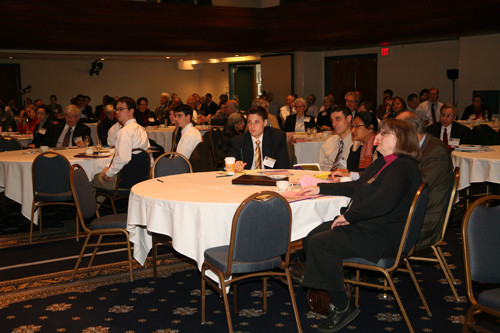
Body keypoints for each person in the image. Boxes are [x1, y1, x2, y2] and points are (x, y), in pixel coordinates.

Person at [297, 118, 422, 332]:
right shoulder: (386, 162)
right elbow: (358, 186)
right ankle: (332, 285)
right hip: (371, 226)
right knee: (312, 236)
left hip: (382, 236)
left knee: (321, 244)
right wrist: (320, 188)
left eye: (384, 134)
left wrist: (350, 216)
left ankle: (342, 306)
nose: (377, 138)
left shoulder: (403, 167)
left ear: (400, 139)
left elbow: (384, 200)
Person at [396, 111, 453, 251]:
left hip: (423, 219)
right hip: (409, 210)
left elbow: (417, 186)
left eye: (396, 131)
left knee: (367, 228)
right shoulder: (412, 147)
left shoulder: (436, 151)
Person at [91, 97, 150, 191]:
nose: (117, 112)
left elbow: (122, 159)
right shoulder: (141, 129)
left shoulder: (125, 131)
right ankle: (107, 204)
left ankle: (92, 206)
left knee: (90, 180)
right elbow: (147, 156)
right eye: (116, 109)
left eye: (121, 109)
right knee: (103, 174)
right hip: (140, 179)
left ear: (131, 111)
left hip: (123, 182)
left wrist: (108, 174)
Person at [230, 107, 289, 171]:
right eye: (249, 122)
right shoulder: (238, 140)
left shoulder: (277, 137)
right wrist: (234, 165)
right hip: (247, 178)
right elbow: (226, 165)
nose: (252, 126)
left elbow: (283, 166)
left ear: (265, 123)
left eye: (256, 122)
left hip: (270, 178)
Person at [332, 111, 379, 180]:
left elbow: (373, 172)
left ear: (370, 128)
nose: (353, 130)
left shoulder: (379, 147)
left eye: (357, 126)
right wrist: (354, 148)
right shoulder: (361, 146)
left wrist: (348, 171)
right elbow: (351, 169)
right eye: (353, 126)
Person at [318, 106, 353, 171]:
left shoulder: (357, 143)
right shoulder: (330, 142)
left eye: (338, 119)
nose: (334, 124)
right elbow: (320, 167)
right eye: (332, 120)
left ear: (348, 118)